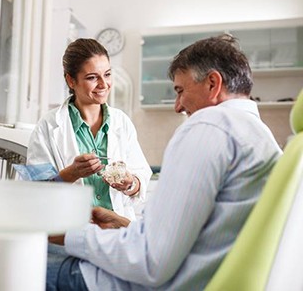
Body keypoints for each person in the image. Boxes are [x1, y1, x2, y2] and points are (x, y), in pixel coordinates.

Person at [45, 34, 283, 290]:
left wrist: (70, 234)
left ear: (213, 83)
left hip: (130, 279)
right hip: (154, 258)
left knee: (20, 261)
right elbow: (198, 236)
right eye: (92, 77)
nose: (177, 106)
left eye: (180, 90)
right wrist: (124, 224)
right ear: (72, 81)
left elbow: (150, 261)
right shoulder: (259, 136)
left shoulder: (210, 126)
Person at [27, 38, 152, 221]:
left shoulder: (121, 123)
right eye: (92, 77)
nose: (103, 84)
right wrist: (71, 173)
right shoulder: (47, 126)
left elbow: (142, 176)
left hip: (116, 234)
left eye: (107, 74)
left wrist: (130, 183)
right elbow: (34, 192)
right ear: (71, 80)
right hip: (69, 234)